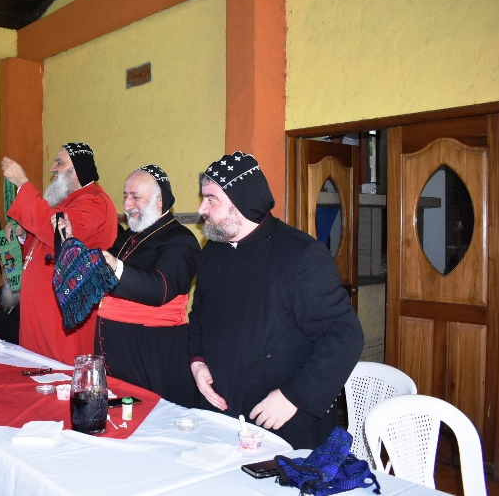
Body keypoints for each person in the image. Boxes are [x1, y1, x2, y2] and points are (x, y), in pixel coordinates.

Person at [188, 151, 364, 450]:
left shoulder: (301, 255)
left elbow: (344, 336)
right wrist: (198, 362)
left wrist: (294, 396)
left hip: (282, 415)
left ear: (241, 202)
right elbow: (199, 315)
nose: (201, 208)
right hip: (221, 409)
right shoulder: (212, 251)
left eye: (211, 199)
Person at [57, 165, 200, 407]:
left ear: (160, 200)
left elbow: (160, 289)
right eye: (125, 195)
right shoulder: (126, 238)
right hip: (115, 357)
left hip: (153, 359)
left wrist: (115, 267)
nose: (126, 204)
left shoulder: (181, 240)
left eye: (135, 197)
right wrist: (69, 241)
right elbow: (97, 274)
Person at [1, 143, 118, 365]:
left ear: (77, 171)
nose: (52, 168)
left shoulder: (95, 202)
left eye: (59, 163)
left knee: (62, 377)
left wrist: (23, 184)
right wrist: (24, 235)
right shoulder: (65, 203)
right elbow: (44, 247)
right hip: (39, 316)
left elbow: (59, 234)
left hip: (62, 321)